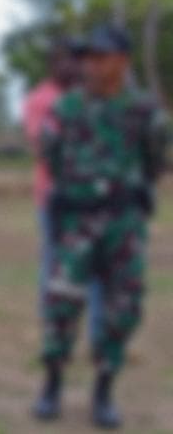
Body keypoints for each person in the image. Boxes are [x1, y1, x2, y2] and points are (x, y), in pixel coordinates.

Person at [32, 25, 169, 428]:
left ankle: (104, 390)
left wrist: (123, 191)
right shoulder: (66, 109)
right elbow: (50, 156)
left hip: (123, 226)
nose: (88, 65)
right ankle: (52, 383)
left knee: (122, 309)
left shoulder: (144, 112)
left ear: (122, 62)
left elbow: (156, 160)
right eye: (85, 57)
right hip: (76, 222)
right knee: (62, 306)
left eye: (99, 57)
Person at [22, 40, 104, 347]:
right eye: (68, 60)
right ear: (55, 63)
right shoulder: (41, 100)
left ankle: (99, 335)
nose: (75, 67)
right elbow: (42, 146)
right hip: (56, 198)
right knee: (56, 266)